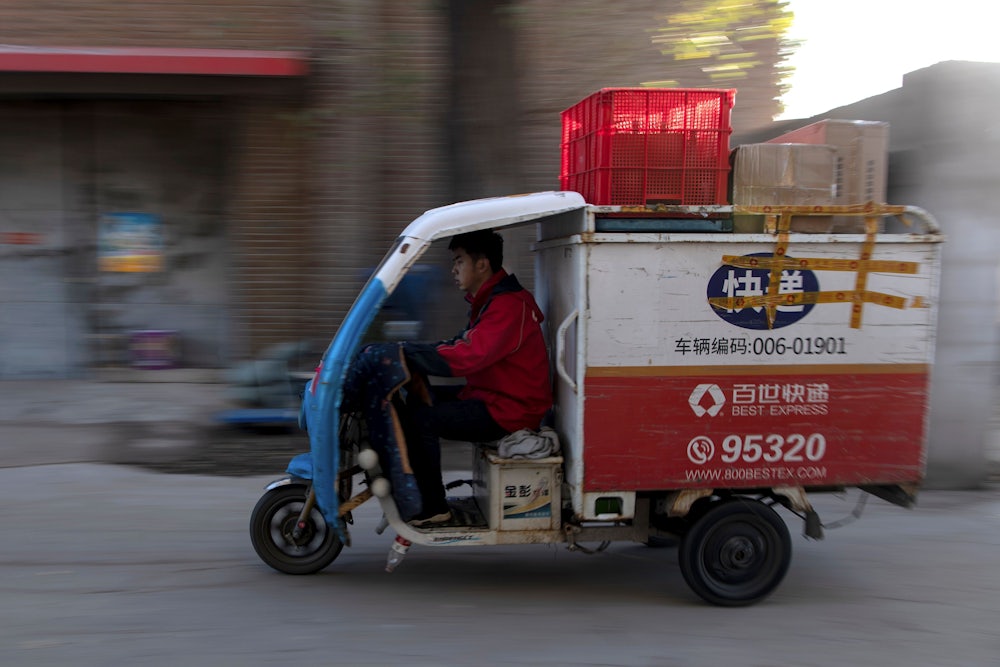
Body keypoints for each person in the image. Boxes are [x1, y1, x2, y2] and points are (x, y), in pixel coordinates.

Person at [400, 229, 552, 526]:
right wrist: (411, 352)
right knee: (417, 401)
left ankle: (432, 507)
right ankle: (415, 491)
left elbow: (469, 354)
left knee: (422, 420)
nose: (454, 269)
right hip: (489, 396)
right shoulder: (489, 303)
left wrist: (409, 354)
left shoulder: (508, 306)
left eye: (459, 261)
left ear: (482, 265)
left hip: (510, 410)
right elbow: (456, 344)